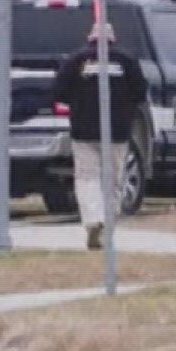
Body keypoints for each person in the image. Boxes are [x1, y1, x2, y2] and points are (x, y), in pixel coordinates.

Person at [52, 23, 147, 249]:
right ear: (113, 39)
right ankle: (107, 226)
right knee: (113, 181)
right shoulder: (127, 61)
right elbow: (140, 93)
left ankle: (93, 220)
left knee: (87, 178)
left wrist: (78, 101)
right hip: (118, 132)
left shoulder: (76, 60)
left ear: (90, 38)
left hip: (83, 131)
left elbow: (58, 92)